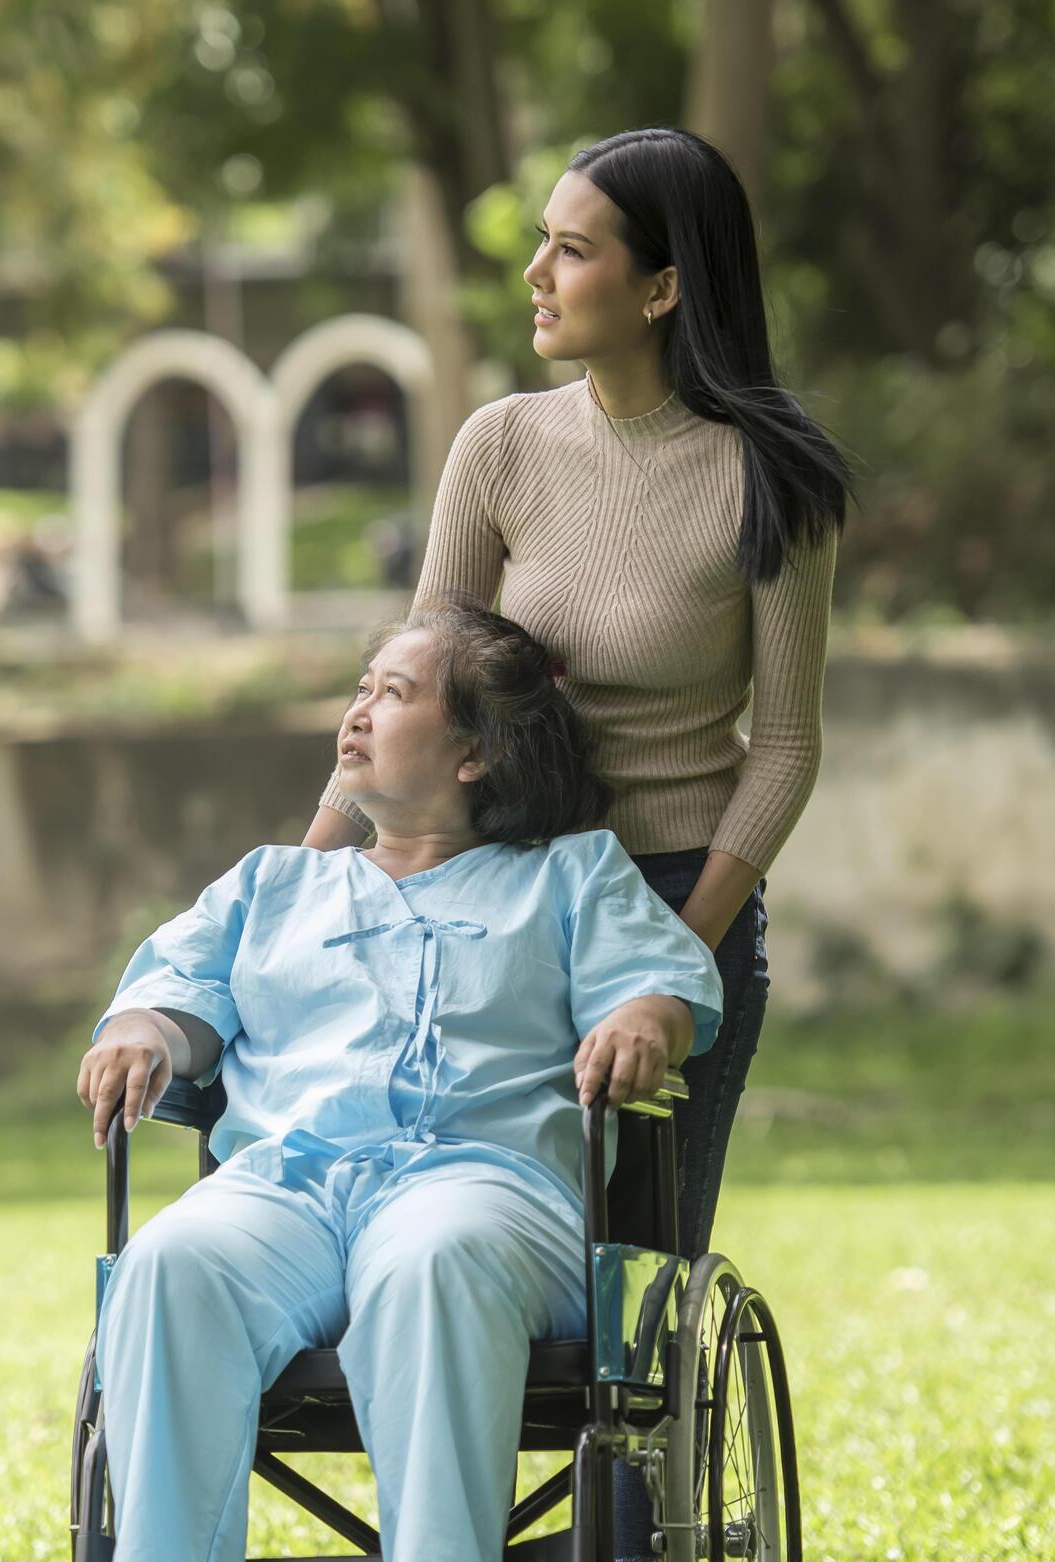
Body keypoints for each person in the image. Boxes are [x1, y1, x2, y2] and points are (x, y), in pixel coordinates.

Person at [59, 604, 723, 1562]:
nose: (358, 710)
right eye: (360, 686)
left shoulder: (567, 877)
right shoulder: (274, 885)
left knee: (433, 1259)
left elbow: (659, 982)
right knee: (170, 1260)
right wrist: (145, 1032)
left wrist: (643, 1023)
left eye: (396, 692)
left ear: (473, 753)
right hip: (289, 1186)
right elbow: (173, 989)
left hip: (485, 1185)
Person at [305, 127, 853, 1266]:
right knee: (449, 1228)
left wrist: (672, 958)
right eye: (541, 245)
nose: (535, 275)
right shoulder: (501, 444)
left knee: (628, 1276)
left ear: (661, 288)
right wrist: (314, 877)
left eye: (570, 249)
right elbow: (411, 689)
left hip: (670, 889)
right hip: (497, 895)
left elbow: (787, 747)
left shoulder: (771, 478)